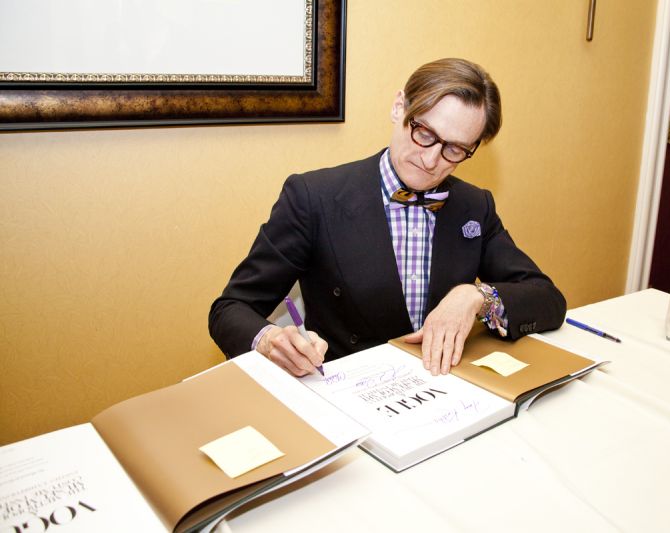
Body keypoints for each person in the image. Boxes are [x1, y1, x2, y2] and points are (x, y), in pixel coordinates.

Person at [209, 58, 566, 377]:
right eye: (424, 133)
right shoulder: (313, 197)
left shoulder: (474, 206)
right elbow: (231, 308)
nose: (431, 160)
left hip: (446, 391)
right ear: (399, 107)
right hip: (346, 393)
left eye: (455, 149)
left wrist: (476, 297)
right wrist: (270, 340)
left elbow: (547, 298)